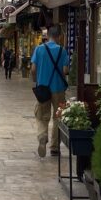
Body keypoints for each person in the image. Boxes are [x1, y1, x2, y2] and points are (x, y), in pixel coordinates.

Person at [31, 25, 69, 158]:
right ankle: (54, 147)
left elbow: (33, 69)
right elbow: (65, 71)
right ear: (59, 36)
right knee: (58, 117)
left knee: (42, 115)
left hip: (43, 89)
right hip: (58, 89)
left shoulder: (39, 49)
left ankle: (42, 136)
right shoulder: (62, 50)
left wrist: (37, 80)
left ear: (47, 36)